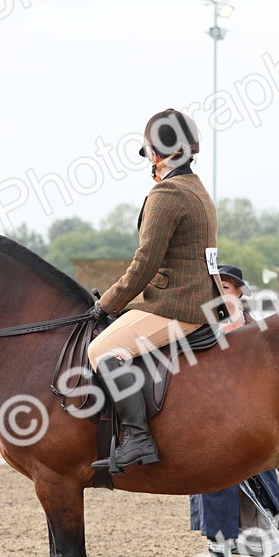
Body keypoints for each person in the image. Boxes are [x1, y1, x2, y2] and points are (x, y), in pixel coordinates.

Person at [86, 108, 219, 473]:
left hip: (178, 304)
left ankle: (138, 437)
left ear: (159, 154)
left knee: (102, 349)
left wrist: (108, 303)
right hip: (199, 299)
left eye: (150, 154)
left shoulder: (168, 192)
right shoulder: (197, 188)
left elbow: (145, 262)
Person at [189, 265, 279, 557]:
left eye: (227, 285)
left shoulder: (230, 314)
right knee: (212, 498)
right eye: (219, 285)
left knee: (218, 497)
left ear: (238, 291)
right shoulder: (215, 313)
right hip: (211, 416)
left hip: (233, 420)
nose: (222, 289)